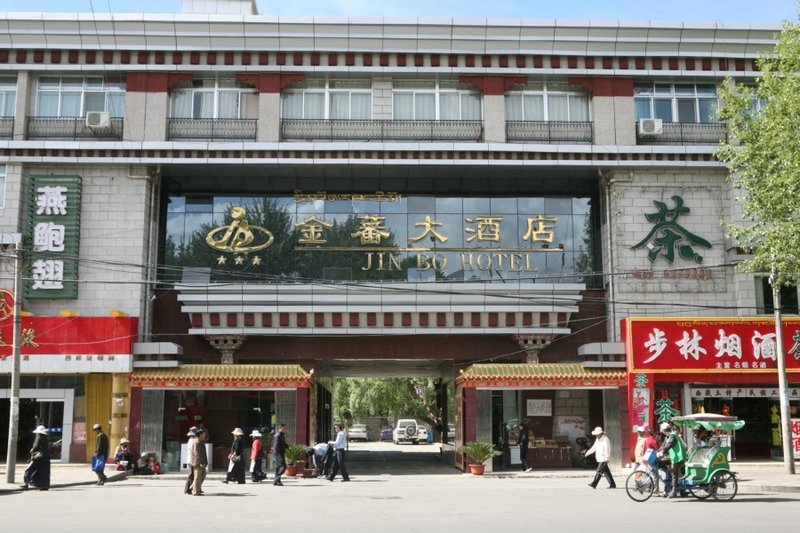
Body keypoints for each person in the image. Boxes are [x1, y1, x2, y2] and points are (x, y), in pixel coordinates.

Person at [657, 422, 687, 498]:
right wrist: (658, 452)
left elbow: (669, 444)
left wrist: (663, 452)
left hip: (679, 457)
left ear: (664, 430)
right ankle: (681, 490)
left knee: (674, 473)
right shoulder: (667, 437)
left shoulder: (673, 435)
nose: (662, 433)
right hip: (673, 457)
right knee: (669, 470)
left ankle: (674, 491)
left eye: (662, 431)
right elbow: (664, 445)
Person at [22, 425, 50, 490]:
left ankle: (26, 483)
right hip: (45, 458)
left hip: (38, 457)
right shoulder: (46, 438)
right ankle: (44, 486)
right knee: (44, 472)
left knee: (29, 470)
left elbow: (36, 446)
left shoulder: (39, 437)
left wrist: (32, 450)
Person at [190, 428, 208, 496]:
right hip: (197, 462)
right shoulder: (196, 442)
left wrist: (205, 462)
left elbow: (204, 453)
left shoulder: (202, 441)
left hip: (202, 462)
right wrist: (200, 462)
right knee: (197, 476)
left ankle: (195, 487)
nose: (205, 435)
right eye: (203, 434)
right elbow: (197, 453)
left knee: (203, 474)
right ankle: (195, 491)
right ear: (200, 435)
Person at [184, 427, 198, 495]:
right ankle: (187, 489)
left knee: (191, 475)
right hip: (191, 459)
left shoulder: (191, 439)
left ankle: (190, 489)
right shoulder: (193, 440)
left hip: (190, 459)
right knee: (190, 475)